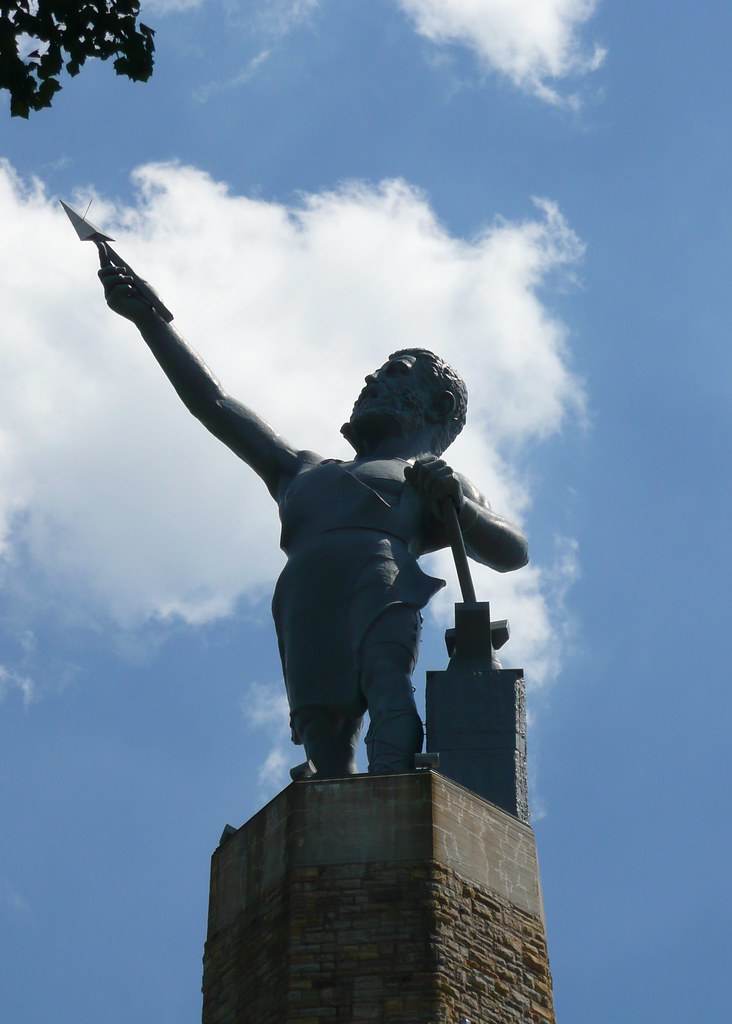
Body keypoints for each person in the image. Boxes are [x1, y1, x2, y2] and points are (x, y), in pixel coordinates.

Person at [98, 250, 529, 777]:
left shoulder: (426, 474)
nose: (372, 381)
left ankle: (395, 787)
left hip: (381, 580)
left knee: (387, 685)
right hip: (303, 595)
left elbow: (513, 551)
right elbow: (213, 402)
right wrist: (151, 321)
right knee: (320, 724)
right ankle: (332, 809)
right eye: (376, 372)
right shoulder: (299, 469)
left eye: (395, 373)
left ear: (435, 406)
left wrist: (458, 505)